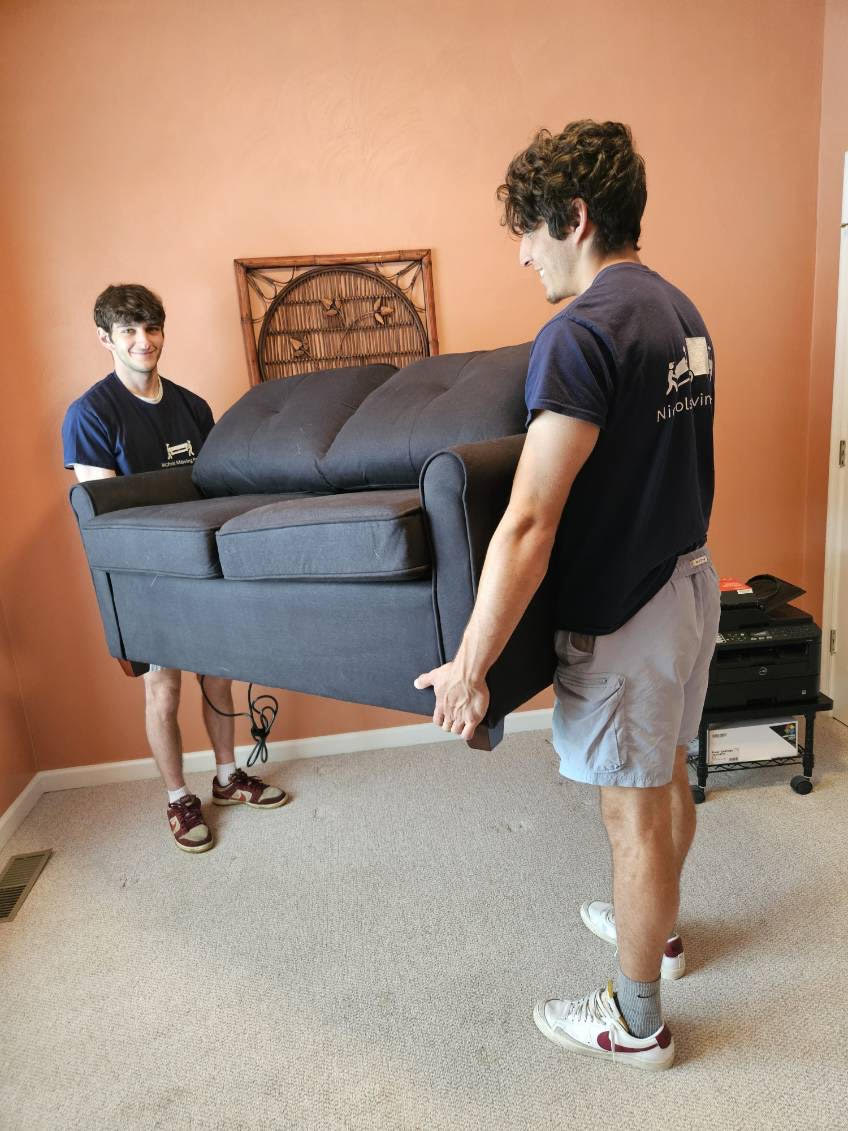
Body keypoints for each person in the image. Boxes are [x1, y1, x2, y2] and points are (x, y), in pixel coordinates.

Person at [415, 121, 718, 1071]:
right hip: (687, 582)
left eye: (528, 231)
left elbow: (529, 521)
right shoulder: (679, 310)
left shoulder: (580, 332)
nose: (520, 251)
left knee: (631, 812)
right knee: (666, 772)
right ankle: (658, 928)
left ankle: (637, 1020)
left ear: (574, 219)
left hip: (629, 610)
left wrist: (469, 667)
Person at [63, 283, 288, 854]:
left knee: (219, 676)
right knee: (163, 689)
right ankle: (176, 797)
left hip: (204, 564)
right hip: (145, 575)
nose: (143, 342)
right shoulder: (90, 414)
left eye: (151, 329)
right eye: (129, 332)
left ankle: (226, 775)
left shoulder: (192, 407)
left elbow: (213, 490)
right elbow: (107, 517)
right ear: (105, 339)